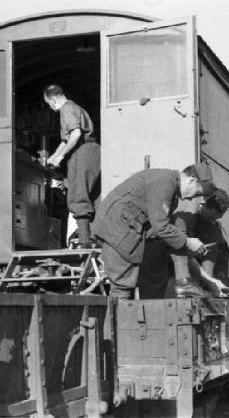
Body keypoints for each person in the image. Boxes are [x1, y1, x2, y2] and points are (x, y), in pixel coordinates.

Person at [92, 164, 216, 299]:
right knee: (121, 290)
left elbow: (159, 227)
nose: (192, 198)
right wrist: (187, 242)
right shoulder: (165, 182)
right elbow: (161, 227)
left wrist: (184, 245)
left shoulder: (169, 187)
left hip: (124, 230)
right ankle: (118, 319)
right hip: (116, 230)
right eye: (197, 193)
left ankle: (184, 282)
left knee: (178, 224)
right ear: (191, 180)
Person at [43, 84, 100, 247]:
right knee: (94, 195)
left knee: (77, 194)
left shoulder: (66, 109)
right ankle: (96, 236)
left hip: (81, 152)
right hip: (93, 151)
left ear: (53, 99)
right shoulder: (76, 107)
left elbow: (75, 134)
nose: (51, 108)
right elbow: (66, 139)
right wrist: (53, 156)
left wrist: (60, 156)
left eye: (49, 104)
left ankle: (84, 241)